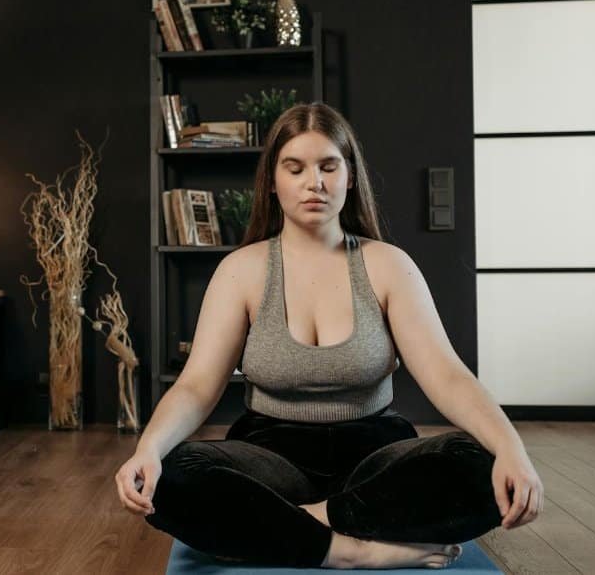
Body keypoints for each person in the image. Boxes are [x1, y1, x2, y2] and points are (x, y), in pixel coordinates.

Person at [114, 103, 543, 569]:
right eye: (294, 168)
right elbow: (197, 386)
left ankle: (290, 527)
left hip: (374, 462)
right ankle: (352, 550)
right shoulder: (241, 271)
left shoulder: (388, 266)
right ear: (273, 182)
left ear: (350, 176)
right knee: (173, 476)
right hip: (269, 457)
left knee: (479, 465)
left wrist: (511, 449)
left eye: (328, 166)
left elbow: (447, 375)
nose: (313, 182)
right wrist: (148, 451)